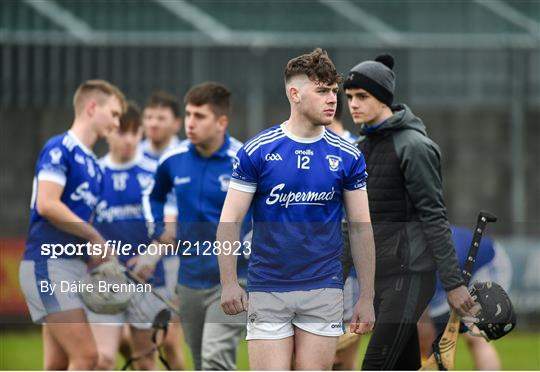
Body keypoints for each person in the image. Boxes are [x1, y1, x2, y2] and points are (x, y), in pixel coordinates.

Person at [217, 48, 376, 370]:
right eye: (322, 91)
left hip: (324, 287)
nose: (333, 99)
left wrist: (367, 297)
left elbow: (361, 227)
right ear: (295, 93)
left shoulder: (348, 155)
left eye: (333, 91)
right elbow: (230, 220)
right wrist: (230, 282)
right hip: (267, 286)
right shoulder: (258, 151)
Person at [343, 54, 477, 370]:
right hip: (378, 278)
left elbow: (434, 217)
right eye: (348, 97)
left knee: (375, 365)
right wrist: (334, 277)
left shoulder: (414, 146)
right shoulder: (361, 148)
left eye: (362, 96)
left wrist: (454, 284)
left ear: (384, 98)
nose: (353, 104)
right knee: (402, 365)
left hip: (410, 276)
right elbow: (355, 222)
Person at [18, 80, 125, 369]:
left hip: (71, 268)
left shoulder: (95, 167)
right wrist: (95, 236)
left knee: (57, 364)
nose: (117, 123)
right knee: (88, 356)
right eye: (113, 114)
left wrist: (103, 257)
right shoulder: (60, 148)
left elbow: (80, 229)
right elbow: (47, 204)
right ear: (92, 107)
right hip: (48, 265)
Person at [145, 82, 249, 370]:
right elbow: (152, 195)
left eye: (199, 116)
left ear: (221, 122)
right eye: (188, 114)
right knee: (201, 361)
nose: (190, 123)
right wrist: (158, 230)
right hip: (188, 279)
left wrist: (251, 245)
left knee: (216, 357)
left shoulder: (243, 160)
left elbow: (265, 211)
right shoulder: (173, 159)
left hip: (234, 279)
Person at [87, 102, 185, 370]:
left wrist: (148, 258)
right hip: (105, 279)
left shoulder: (157, 172)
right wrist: (93, 251)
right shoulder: (93, 173)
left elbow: (171, 225)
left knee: (146, 361)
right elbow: (81, 226)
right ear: (108, 133)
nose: (129, 140)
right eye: (121, 132)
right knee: (103, 358)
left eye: (134, 133)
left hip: (150, 279)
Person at [419, 225, 513, 370]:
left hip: (486, 267)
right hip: (456, 270)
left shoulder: (427, 271)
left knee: (475, 335)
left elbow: (423, 325)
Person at [138, 91, 185, 368]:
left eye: (161, 118)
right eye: (149, 117)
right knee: (136, 341)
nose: (153, 123)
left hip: (170, 260)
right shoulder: (130, 155)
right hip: (130, 257)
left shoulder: (184, 158)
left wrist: (152, 254)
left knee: (168, 337)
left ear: (176, 123)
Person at [330, 92, 362, 371]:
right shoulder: (300, 146)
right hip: (303, 270)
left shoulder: (356, 149)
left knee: (341, 360)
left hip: (346, 271)